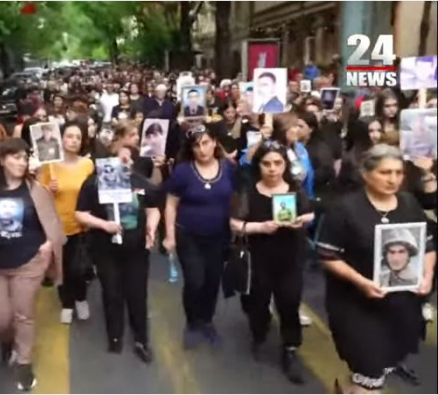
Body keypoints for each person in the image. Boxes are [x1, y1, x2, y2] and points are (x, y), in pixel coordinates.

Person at [316, 144, 435, 394]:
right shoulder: (344, 210)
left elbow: (427, 246)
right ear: (366, 173)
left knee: (375, 372)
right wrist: (361, 281)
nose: (393, 179)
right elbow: (328, 255)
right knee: (370, 376)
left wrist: (427, 275)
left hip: (400, 306)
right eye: (385, 172)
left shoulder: (409, 203)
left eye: (398, 173)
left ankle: (346, 388)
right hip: (356, 305)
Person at [0, 138, 66, 391]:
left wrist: (47, 245)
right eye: (16, 157)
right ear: (2, 159)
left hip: (28, 261)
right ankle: (6, 340)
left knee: (24, 315)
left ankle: (24, 362)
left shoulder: (36, 190)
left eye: (25, 157)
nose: (22, 162)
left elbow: (53, 224)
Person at [230, 140, 315, 385]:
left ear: (285, 165)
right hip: (259, 258)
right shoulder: (248, 192)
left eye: (277, 163)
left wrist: (301, 220)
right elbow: (235, 224)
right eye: (267, 163)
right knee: (257, 301)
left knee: (290, 302)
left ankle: (290, 348)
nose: (272, 168)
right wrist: (260, 227)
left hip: (290, 258)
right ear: (259, 165)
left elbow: (309, 213)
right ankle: (259, 333)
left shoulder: (294, 189)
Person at [75, 145, 161, 363]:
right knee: (112, 292)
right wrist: (104, 225)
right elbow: (81, 214)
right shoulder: (93, 183)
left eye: (129, 158)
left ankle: (141, 339)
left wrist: (151, 227)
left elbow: (153, 208)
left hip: (137, 249)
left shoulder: (140, 182)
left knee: (137, 294)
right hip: (106, 249)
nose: (125, 160)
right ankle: (115, 335)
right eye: (119, 157)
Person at [162, 125, 236, 349]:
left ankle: (206, 321)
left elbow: (237, 198)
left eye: (206, 143)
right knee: (195, 281)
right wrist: (169, 236)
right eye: (197, 145)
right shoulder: (184, 171)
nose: (202, 149)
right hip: (189, 236)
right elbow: (171, 204)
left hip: (219, 236)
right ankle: (192, 322)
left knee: (212, 282)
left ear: (214, 142)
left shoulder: (228, 169)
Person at [38, 121, 95, 324]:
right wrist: (49, 189)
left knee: (79, 268)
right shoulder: (49, 165)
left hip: (81, 226)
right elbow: (39, 196)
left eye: (78, 137)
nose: (73, 140)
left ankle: (81, 298)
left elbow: (93, 193)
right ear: (61, 139)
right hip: (57, 226)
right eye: (69, 136)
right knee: (62, 270)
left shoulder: (87, 165)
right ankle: (67, 303)